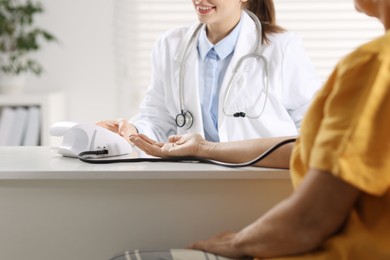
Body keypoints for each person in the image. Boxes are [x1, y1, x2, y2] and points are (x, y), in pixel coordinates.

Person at [111, 0, 390, 258]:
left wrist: (236, 243)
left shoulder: (373, 65)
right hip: (194, 190)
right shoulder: (171, 44)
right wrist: (134, 132)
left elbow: (313, 214)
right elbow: (305, 148)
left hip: (267, 203)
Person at [98, 0, 321, 146]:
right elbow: (158, 118)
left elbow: (313, 121)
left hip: (260, 179)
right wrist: (132, 130)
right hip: (195, 180)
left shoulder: (281, 47)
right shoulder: (170, 45)